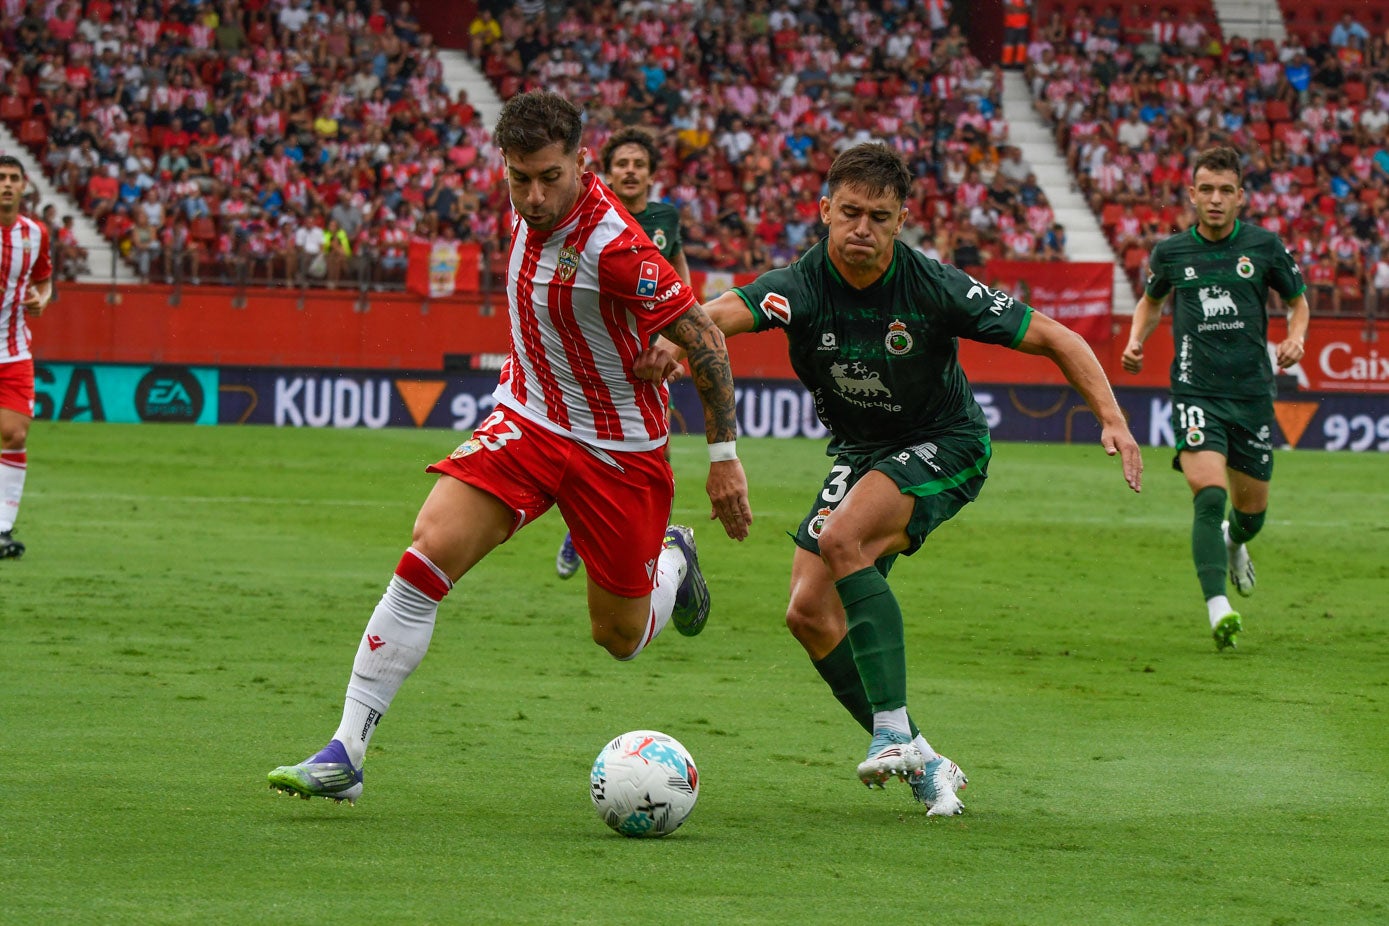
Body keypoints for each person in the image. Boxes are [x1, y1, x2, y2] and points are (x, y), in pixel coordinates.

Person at [267, 91, 752, 804]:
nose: (532, 195)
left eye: (549, 178)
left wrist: (721, 458)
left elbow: (704, 338)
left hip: (617, 448)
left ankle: (674, 558)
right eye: (518, 178)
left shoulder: (614, 244)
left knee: (617, 636)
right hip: (526, 420)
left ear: (582, 165)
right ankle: (346, 751)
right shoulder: (528, 202)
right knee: (427, 551)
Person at [640, 144, 1143, 814]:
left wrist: (1111, 418)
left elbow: (1056, 336)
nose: (861, 229)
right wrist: (674, 341)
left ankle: (887, 730)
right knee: (807, 614)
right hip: (861, 453)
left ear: (900, 219)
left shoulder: (932, 287)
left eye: (878, 216)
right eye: (848, 212)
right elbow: (714, 317)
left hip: (945, 443)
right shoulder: (799, 285)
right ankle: (924, 758)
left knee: (844, 539)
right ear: (823, 211)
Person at [1122, 145, 1309, 651]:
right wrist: (1137, 337)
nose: (1216, 199)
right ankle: (1217, 606)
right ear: (1191, 195)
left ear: (1241, 197)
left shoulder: (1265, 247)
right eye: (1206, 189)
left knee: (1252, 516)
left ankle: (1234, 543)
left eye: (1226, 190)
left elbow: (1298, 301)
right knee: (1209, 494)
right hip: (1194, 391)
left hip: (1250, 394)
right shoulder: (1172, 252)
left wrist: (1297, 338)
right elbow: (1151, 300)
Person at [556, 126, 692, 581]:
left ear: (651, 174)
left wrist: (673, 345)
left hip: (647, 355)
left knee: (657, 452)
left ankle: (657, 549)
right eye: (622, 164)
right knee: (579, 447)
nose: (630, 171)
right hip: (599, 352)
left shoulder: (666, 219)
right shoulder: (591, 215)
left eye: (638, 164)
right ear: (607, 171)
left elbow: (682, 284)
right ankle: (583, 530)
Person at [0, 156, 54, 559]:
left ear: (24, 186)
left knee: (15, 434)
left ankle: (1, 529)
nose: (6, 185)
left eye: (12, 179)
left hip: (13, 350)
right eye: (0, 178)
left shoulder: (35, 234)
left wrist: (41, 301)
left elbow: (44, 280)